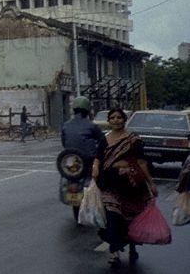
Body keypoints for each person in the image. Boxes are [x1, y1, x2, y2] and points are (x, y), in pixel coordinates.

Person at [92, 108, 158, 267]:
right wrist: (95, 167)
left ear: (124, 119)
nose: (116, 120)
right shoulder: (104, 139)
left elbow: (141, 162)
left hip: (131, 186)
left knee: (130, 219)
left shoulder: (133, 139)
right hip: (109, 186)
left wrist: (151, 183)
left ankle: (132, 247)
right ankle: (114, 253)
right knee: (112, 218)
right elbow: (98, 158)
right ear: (109, 121)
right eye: (112, 117)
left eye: (119, 117)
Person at [61, 96, 105, 170]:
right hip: (88, 161)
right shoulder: (91, 125)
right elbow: (103, 141)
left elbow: (64, 143)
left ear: (74, 110)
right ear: (87, 110)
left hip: (70, 160)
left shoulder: (66, 125)